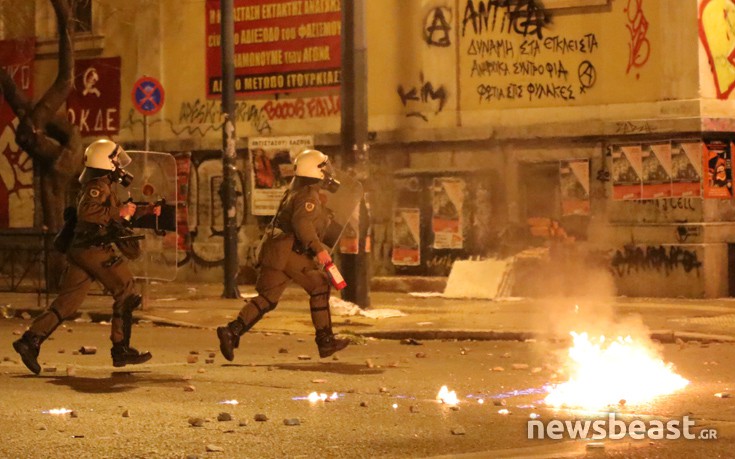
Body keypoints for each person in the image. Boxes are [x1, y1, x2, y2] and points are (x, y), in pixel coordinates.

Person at [13, 139, 159, 374]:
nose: (120, 165)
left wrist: (145, 210)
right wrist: (118, 211)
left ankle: (29, 341)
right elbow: (88, 212)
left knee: (67, 304)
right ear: (105, 161)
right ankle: (121, 348)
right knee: (127, 289)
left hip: (82, 250)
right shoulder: (98, 185)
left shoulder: (104, 185)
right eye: (115, 160)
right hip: (94, 248)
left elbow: (117, 214)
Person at [217, 149, 350, 361]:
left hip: (276, 252)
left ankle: (231, 331)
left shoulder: (295, 190)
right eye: (323, 168)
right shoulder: (308, 195)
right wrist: (319, 249)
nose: (327, 172)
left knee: (268, 299)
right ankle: (325, 341)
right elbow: (302, 223)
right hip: (289, 252)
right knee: (320, 285)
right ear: (314, 171)